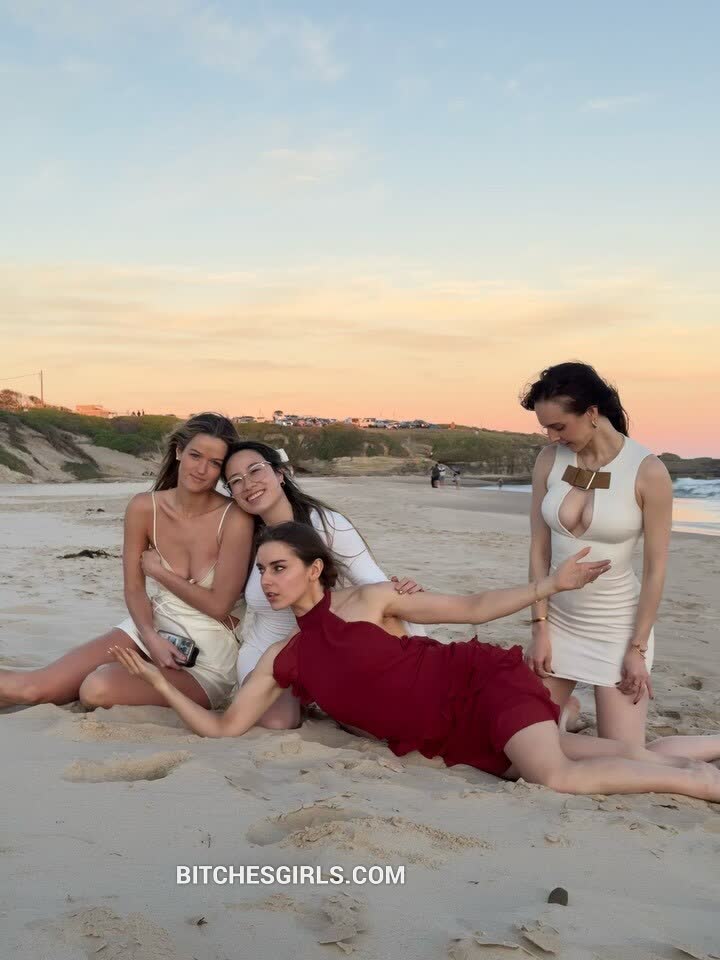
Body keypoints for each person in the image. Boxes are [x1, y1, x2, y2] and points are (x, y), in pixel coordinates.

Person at [111, 523, 720, 800]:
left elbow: (471, 607)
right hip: (455, 737)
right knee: (618, 753)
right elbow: (223, 728)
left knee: (555, 776)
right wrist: (160, 684)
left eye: (280, 567)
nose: (268, 581)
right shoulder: (282, 657)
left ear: (314, 568)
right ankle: (704, 752)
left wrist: (549, 586)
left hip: (479, 685)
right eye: (262, 571)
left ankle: (699, 784)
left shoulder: (372, 600)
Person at [138, 440, 424, 730]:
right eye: (236, 481)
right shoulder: (248, 535)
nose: (248, 484)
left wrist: (411, 630)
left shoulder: (326, 524)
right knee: (278, 721)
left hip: (327, 648)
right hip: (267, 652)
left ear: (280, 474)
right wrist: (161, 571)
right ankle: (307, 698)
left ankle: (324, 695)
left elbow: (376, 587)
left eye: (255, 471)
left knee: (367, 715)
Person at [520, 362, 720, 762]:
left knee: (625, 756)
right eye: (546, 428)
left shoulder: (647, 471)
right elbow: (539, 550)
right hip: (557, 622)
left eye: (559, 426)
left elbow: (656, 569)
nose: (552, 436)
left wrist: (637, 649)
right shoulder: (549, 459)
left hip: (617, 627)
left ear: (592, 412)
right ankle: (567, 713)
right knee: (522, 742)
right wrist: (539, 627)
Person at [0, 413, 253, 710]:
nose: (201, 469)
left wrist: (160, 572)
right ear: (179, 451)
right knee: (33, 688)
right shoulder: (144, 507)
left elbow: (219, 606)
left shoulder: (235, 517)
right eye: (195, 455)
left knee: (96, 688)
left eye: (214, 463)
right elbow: (134, 588)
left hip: (206, 656)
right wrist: (149, 636)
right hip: (150, 627)